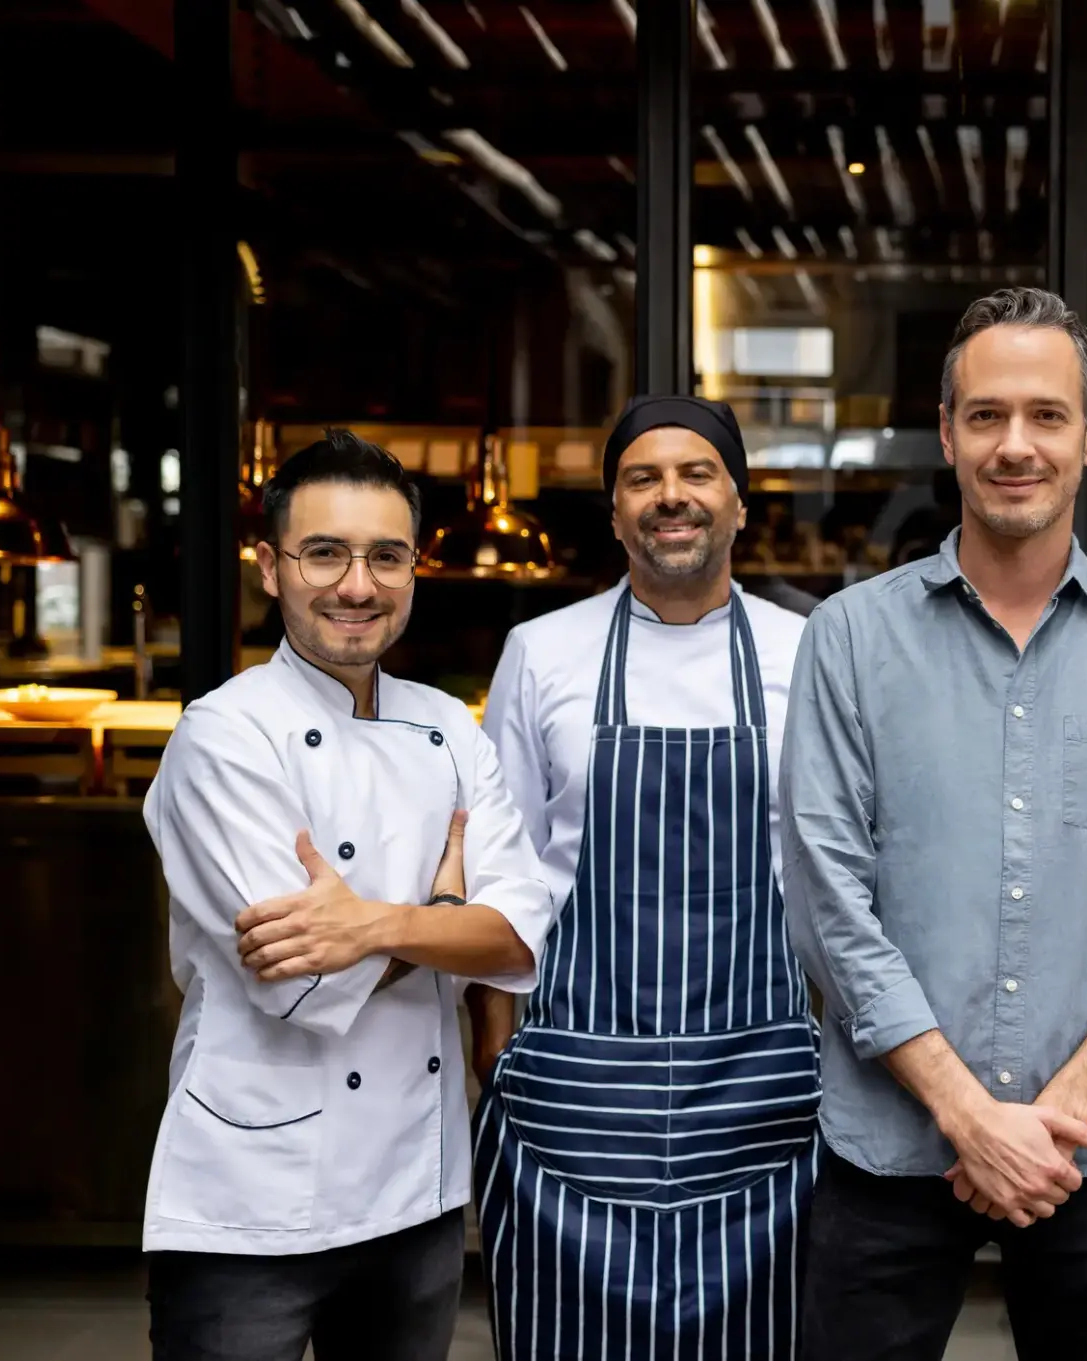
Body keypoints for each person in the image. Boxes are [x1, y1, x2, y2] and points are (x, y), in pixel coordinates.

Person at [781, 286, 1087, 1360]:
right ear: (947, 433)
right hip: (891, 1147)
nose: (1015, 444)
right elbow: (828, 901)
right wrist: (967, 1112)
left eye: (1046, 414)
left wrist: (1050, 1117)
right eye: (986, 414)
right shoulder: (848, 638)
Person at [141, 430, 554, 1361]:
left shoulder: (451, 727)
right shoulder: (224, 736)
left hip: (416, 1191)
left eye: (386, 556)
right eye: (324, 553)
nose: (357, 585)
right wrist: (445, 919)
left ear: (414, 569)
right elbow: (301, 980)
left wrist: (370, 923)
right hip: (250, 1194)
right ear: (270, 568)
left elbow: (519, 936)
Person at [470, 395, 818, 1359]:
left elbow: (836, 875)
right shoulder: (541, 652)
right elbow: (504, 876)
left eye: (697, 473)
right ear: (616, 512)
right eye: (643, 479)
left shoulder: (808, 652)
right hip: (572, 1097)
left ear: (739, 503)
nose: (672, 496)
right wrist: (500, 1063)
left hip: (759, 1095)